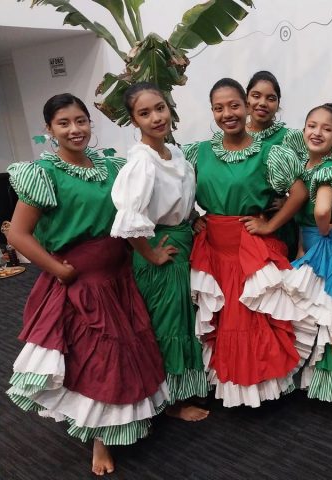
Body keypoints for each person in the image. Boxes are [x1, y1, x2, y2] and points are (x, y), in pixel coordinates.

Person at [6, 93, 168, 475]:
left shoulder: (111, 167)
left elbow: (128, 221)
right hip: (81, 280)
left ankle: (127, 419)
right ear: (49, 129)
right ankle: (99, 439)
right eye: (63, 123)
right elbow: (17, 234)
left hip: (119, 275)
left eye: (81, 120)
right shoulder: (44, 174)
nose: (75, 129)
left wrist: (151, 254)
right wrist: (56, 269)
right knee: (98, 360)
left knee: (129, 351)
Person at [182, 78, 311, 408]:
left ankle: (259, 387)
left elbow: (299, 193)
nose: (227, 113)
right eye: (219, 108)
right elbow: (177, 192)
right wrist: (192, 217)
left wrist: (270, 225)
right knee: (223, 318)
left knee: (251, 317)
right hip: (213, 247)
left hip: (250, 247)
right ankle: (229, 384)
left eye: (234, 105)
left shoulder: (270, 153)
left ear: (246, 106)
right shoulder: (198, 152)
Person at [110, 82, 209, 421]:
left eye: (160, 108)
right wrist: (151, 254)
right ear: (134, 121)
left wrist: (192, 218)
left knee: (185, 318)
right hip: (160, 249)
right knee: (167, 324)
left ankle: (187, 389)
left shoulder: (174, 153)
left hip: (182, 244)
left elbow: (179, 200)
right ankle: (172, 402)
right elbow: (128, 221)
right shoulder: (142, 162)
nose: (156, 117)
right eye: (144, 113)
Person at [283, 103, 332, 402]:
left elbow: (321, 210)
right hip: (316, 239)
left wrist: (323, 230)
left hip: (330, 241)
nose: (317, 132)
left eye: (326, 129)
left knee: (331, 310)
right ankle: (317, 380)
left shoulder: (328, 169)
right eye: (312, 126)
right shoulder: (305, 166)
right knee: (318, 309)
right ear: (304, 129)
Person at [245, 70, 300, 259]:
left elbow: (312, 176)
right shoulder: (233, 135)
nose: (262, 103)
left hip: (279, 227)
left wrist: (288, 200)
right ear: (246, 99)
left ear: (278, 105)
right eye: (256, 96)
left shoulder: (290, 138)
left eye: (271, 98)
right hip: (239, 226)